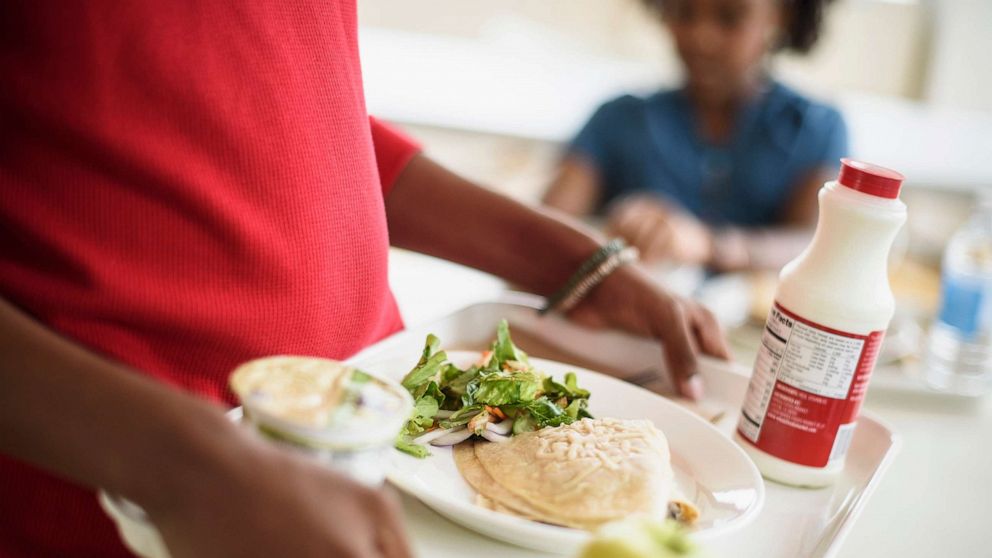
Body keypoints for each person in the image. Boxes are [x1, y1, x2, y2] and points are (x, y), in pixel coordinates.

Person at [0, 2, 729, 557]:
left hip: (401, 462)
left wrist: (575, 263)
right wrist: (181, 466)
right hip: (138, 508)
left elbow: (304, 123)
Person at [543, 0, 847, 272]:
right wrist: (609, 226)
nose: (701, 38)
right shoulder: (617, 119)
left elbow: (813, 246)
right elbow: (544, 227)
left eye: (730, 17)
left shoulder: (816, 128)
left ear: (783, 14)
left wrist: (708, 244)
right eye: (684, 12)